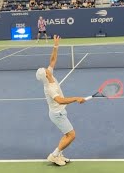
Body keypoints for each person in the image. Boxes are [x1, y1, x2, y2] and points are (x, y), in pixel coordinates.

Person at [36, 35, 86, 166]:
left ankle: (59, 154)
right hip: (57, 114)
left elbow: (52, 60)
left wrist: (56, 45)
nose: (47, 68)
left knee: (67, 134)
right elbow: (60, 100)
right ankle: (54, 155)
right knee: (71, 135)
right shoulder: (49, 88)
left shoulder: (49, 76)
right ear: (45, 75)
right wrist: (76, 98)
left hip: (60, 112)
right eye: (45, 70)